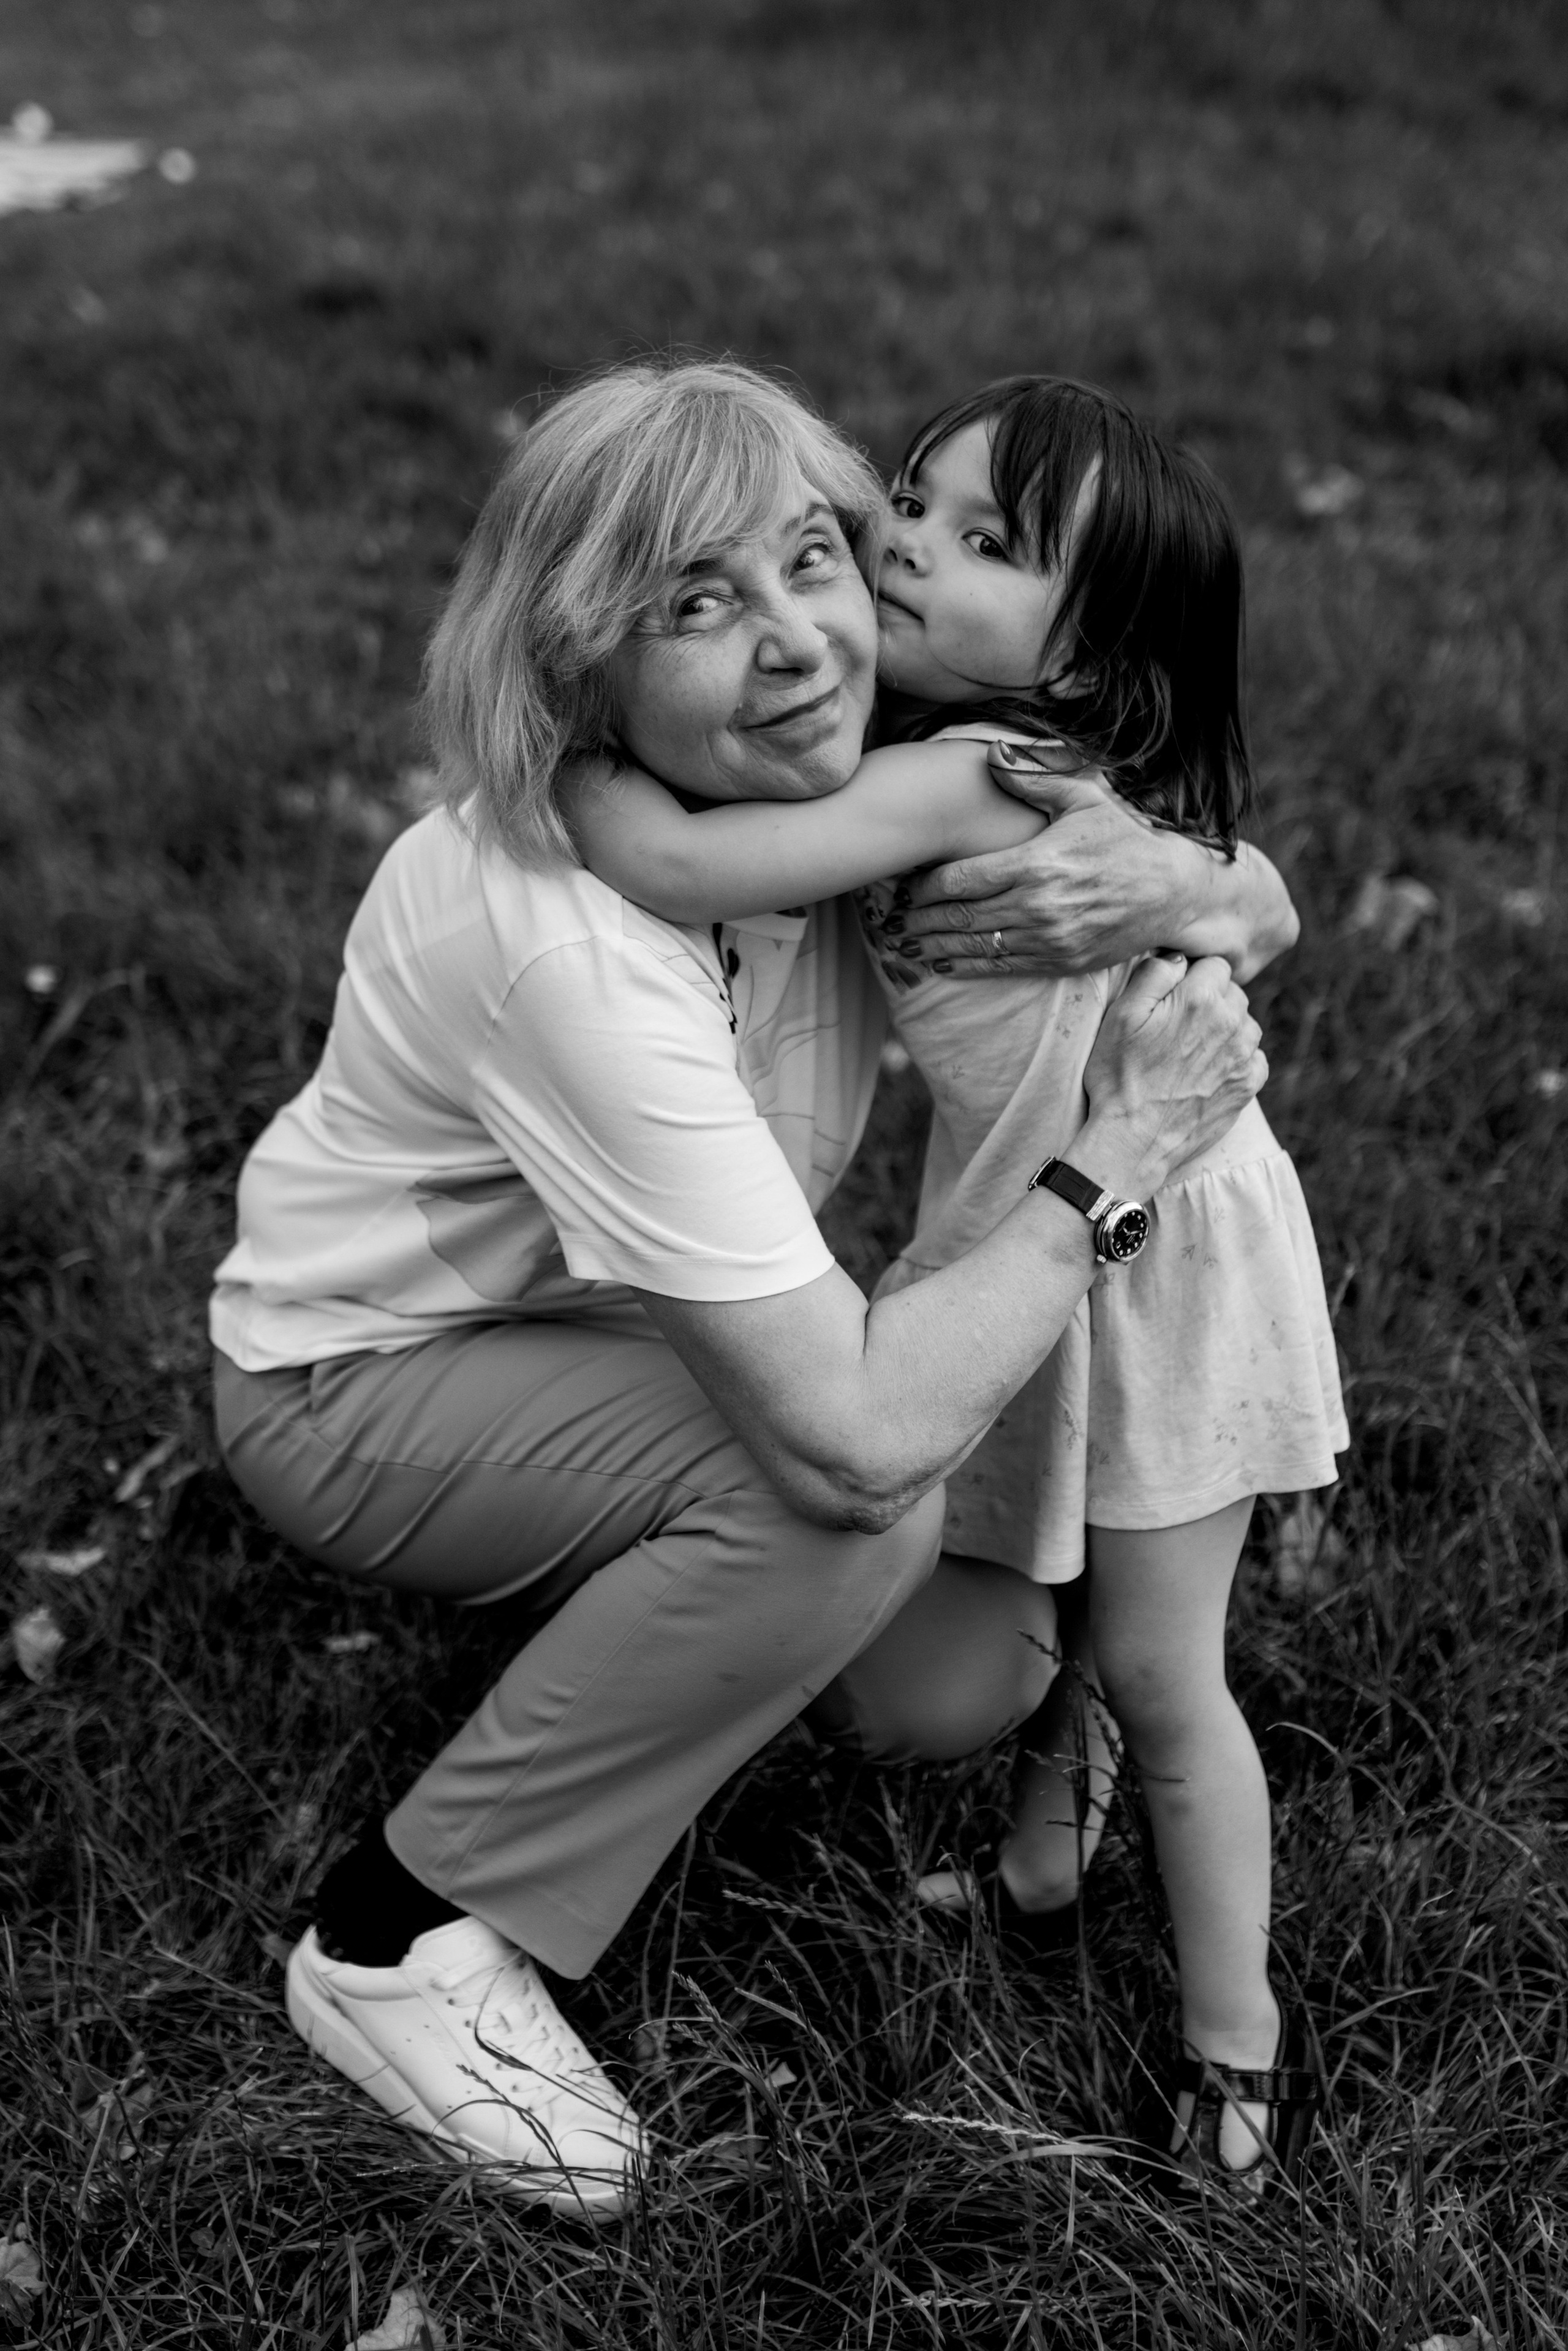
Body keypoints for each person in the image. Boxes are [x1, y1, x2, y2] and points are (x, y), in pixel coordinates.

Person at [209, 358, 1281, 2221]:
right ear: (578, 669)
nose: (798, 644)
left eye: (817, 559)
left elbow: (1164, 836)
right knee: (845, 1502)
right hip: (371, 1378)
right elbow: (866, 1447)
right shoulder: (571, 939)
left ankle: (648, 1595)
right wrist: (1112, 1161)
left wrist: (1220, 884)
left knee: (958, 1681)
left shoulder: (847, 779)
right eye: (697, 605)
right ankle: (405, 1937)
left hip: (619, 1315)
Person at [568, 374, 1344, 2191]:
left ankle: (1237, 2038)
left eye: (986, 542)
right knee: (1070, 1596)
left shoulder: (967, 774)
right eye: (914, 500)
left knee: (1164, 1674)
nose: (908, 540)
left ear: (1100, 669)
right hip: (1066, 1234)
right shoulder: (973, 755)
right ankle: (1042, 1867)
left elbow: (685, 853)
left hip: (1160, 1266)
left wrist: (575, 754)